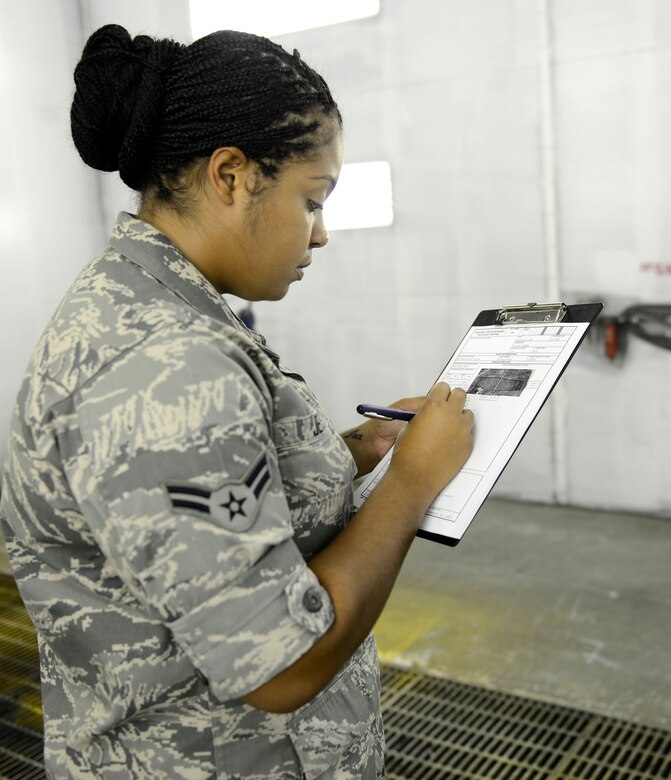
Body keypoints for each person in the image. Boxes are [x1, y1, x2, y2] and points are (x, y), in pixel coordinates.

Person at [0, 24, 474, 779]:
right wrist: (412, 485)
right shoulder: (165, 365)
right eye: (311, 200)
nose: (319, 235)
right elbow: (279, 669)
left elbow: (224, 485)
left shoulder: (148, 305)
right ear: (230, 176)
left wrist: (360, 451)